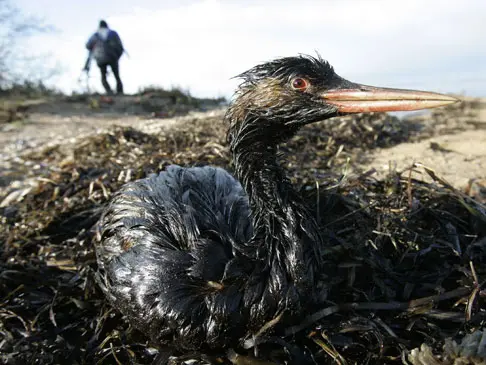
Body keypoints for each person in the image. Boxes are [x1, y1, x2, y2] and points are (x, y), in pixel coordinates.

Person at [85, 20, 124, 95]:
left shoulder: (95, 35)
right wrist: (117, 56)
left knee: (103, 75)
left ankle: (109, 91)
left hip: (100, 58)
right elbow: (120, 46)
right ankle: (120, 92)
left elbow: (88, 45)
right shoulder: (113, 33)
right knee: (116, 75)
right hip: (113, 57)